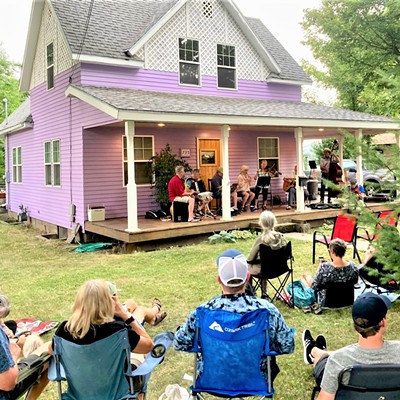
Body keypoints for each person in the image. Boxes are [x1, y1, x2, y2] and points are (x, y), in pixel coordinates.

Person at [174, 249, 294, 384]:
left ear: (219, 279)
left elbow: (179, 343)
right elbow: (287, 345)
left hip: (212, 379)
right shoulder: (267, 311)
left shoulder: (201, 314)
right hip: (256, 380)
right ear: (248, 277)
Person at [49, 279, 154, 398]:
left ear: (79, 302)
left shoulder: (64, 331)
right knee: (139, 355)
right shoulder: (118, 331)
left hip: (80, 395)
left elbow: (51, 350)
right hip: (116, 395)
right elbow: (149, 345)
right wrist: (126, 316)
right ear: (109, 302)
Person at [302, 292, 400, 399]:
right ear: (383, 322)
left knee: (322, 361)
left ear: (355, 325)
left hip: (334, 369)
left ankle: (313, 350)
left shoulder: (337, 360)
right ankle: (316, 351)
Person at [301, 238, 358, 309]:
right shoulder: (353, 266)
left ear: (332, 252)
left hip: (328, 303)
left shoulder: (324, 267)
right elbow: (355, 281)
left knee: (306, 279)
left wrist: (319, 268)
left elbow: (314, 286)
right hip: (347, 301)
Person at [247, 210, 287, 299]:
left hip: (264, 270)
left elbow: (250, 258)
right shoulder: (281, 238)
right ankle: (264, 293)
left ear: (261, 223)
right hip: (279, 268)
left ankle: (249, 292)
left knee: (247, 267)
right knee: (264, 264)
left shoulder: (261, 240)